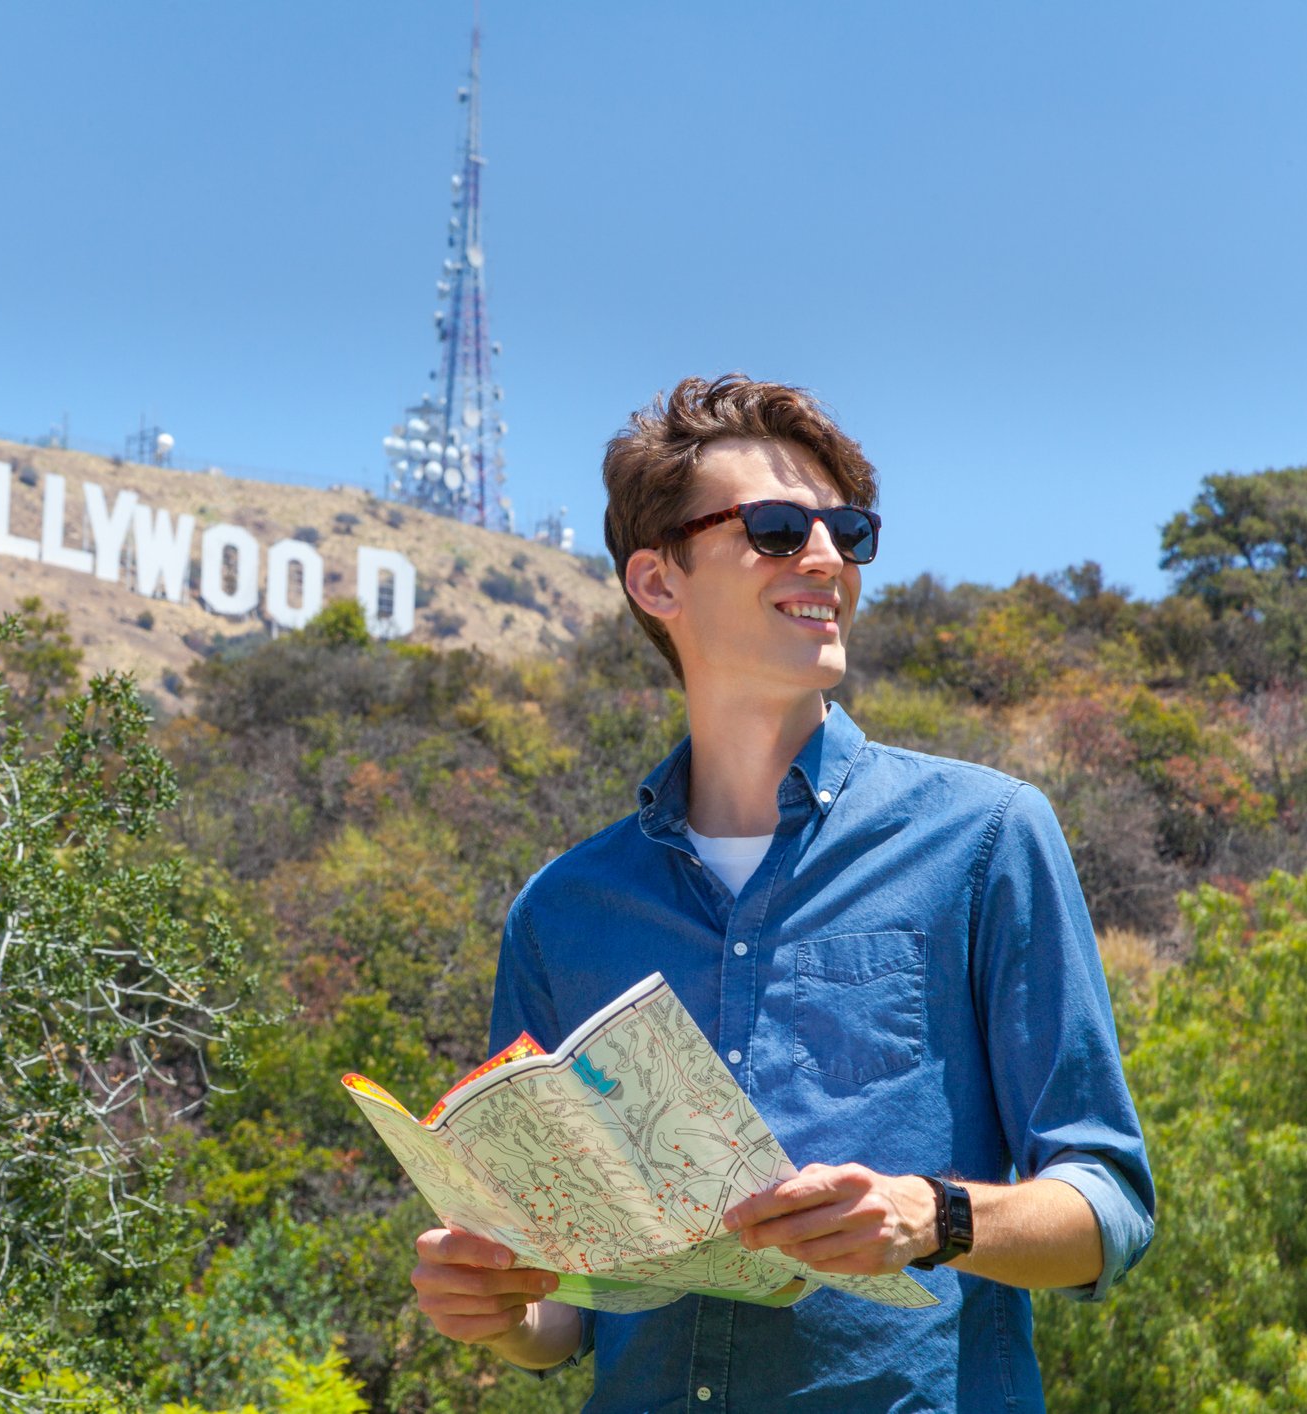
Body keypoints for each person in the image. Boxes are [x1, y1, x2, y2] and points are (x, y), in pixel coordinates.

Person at [407, 375, 1155, 1411]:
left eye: (847, 532)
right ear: (658, 581)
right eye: (774, 528)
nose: (826, 559)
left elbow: (1108, 1206)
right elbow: (566, 1310)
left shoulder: (985, 839)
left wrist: (932, 1216)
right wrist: (495, 1305)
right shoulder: (561, 912)